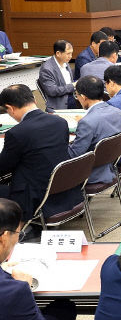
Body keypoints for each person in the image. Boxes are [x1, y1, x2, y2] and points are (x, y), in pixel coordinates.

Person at [0, 198, 77, 320]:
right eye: (18, 234)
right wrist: (25, 287)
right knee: (64, 309)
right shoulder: (14, 290)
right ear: (4, 237)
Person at [0, 85, 80, 221]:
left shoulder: (16, 133)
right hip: (62, 187)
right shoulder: (60, 122)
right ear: (35, 101)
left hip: (33, 195)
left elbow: (3, 168)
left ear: (11, 108)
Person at [68, 76, 121, 184]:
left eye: (77, 96)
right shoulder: (118, 113)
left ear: (83, 97)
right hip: (110, 166)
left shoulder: (87, 122)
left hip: (89, 174)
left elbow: (74, 155)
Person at [38, 40, 75, 110]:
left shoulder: (65, 62)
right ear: (58, 53)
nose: (71, 56)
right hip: (59, 103)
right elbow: (52, 91)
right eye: (68, 53)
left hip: (71, 96)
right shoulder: (47, 69)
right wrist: (72, 86)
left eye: (71, 53)